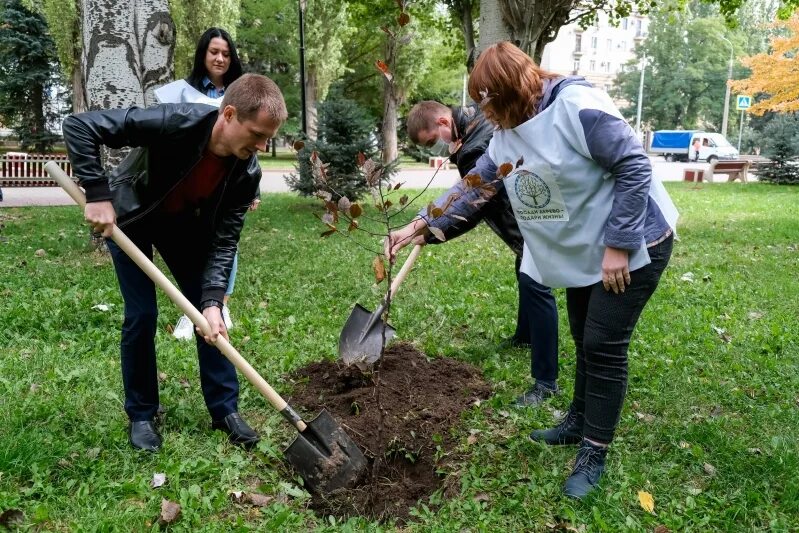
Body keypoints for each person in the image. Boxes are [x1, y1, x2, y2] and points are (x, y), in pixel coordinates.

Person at [386, 42, 677, 499]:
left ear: (513, 91)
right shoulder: (509, 126)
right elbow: (477, 182)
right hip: (587, 246)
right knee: (583, 336)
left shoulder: (578, 107)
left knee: (602, 344)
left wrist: (620, 245)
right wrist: (422, 221)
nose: (489, 118)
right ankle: (578, 421)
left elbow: (634, 167)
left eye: (492, 105)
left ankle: (594, 451)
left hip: (635, 243)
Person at [62, 73, 288, 452]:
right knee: (142, 314)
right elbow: (80, 126)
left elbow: (225, 240)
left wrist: (214, 299)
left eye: (268, 138)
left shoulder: (247, 172)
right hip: (131, 218)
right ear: (228, 114)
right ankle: (142, 414)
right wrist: (98, 194)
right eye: (256, 135)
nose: (262, 146)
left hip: (183, 228)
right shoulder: (175, 121)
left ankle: (224, 409)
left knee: (210, 317)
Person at [404, 101, 560, 406]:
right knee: (524, 269)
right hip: (530, 218)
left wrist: (434, 234)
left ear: (442, 122)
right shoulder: (478, 120)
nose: (437, 147)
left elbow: (475, 205)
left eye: (433, 140)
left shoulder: (475, 147)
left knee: (536, 284)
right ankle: (525, 336)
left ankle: (546, 383)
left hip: (536, 219)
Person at [155, 27, 253, 337]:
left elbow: (251, 146)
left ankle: (219, 304)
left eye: (226, 53)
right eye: (214, 52)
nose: (220, 58)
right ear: (203, 54)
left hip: (227, 184)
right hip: (188, 185)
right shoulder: (180, 92)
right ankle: (194, 308)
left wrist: (254, 189)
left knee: (226, 243)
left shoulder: (241, 95)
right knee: (192, 247)